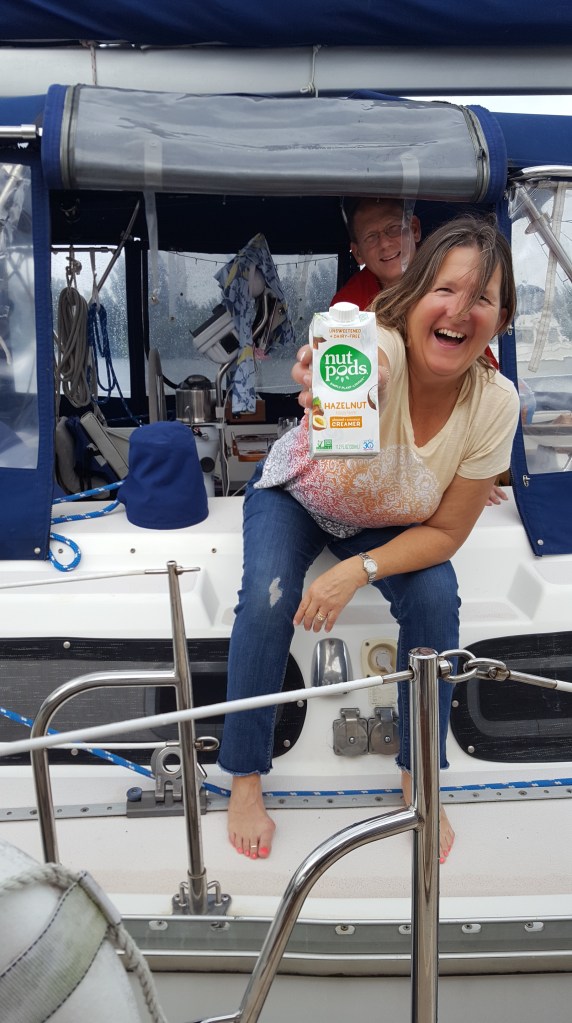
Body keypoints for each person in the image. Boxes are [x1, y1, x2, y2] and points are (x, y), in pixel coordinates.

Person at [218, 214, 520, 865]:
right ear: (413, 297)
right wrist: (337, 372)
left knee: (435, 597)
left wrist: (357, 569)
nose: (459, 310)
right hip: (299, 497)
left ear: (501, 319)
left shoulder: (496, 403)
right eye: (445, 289)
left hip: (386, 518)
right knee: (267, 597)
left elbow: (446, 532)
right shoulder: (378, 341)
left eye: (482, 298)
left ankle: (420, 775)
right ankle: (244, 774)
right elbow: (363, 360)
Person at [334, 196, 507, 506]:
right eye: (372, 237)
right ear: (357, 252)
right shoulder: (349, 306)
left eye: (393, 229)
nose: (386, 244)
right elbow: (362, 363)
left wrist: (473, 477)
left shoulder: (454, 283)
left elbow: (483, 381)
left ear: (414, 229)